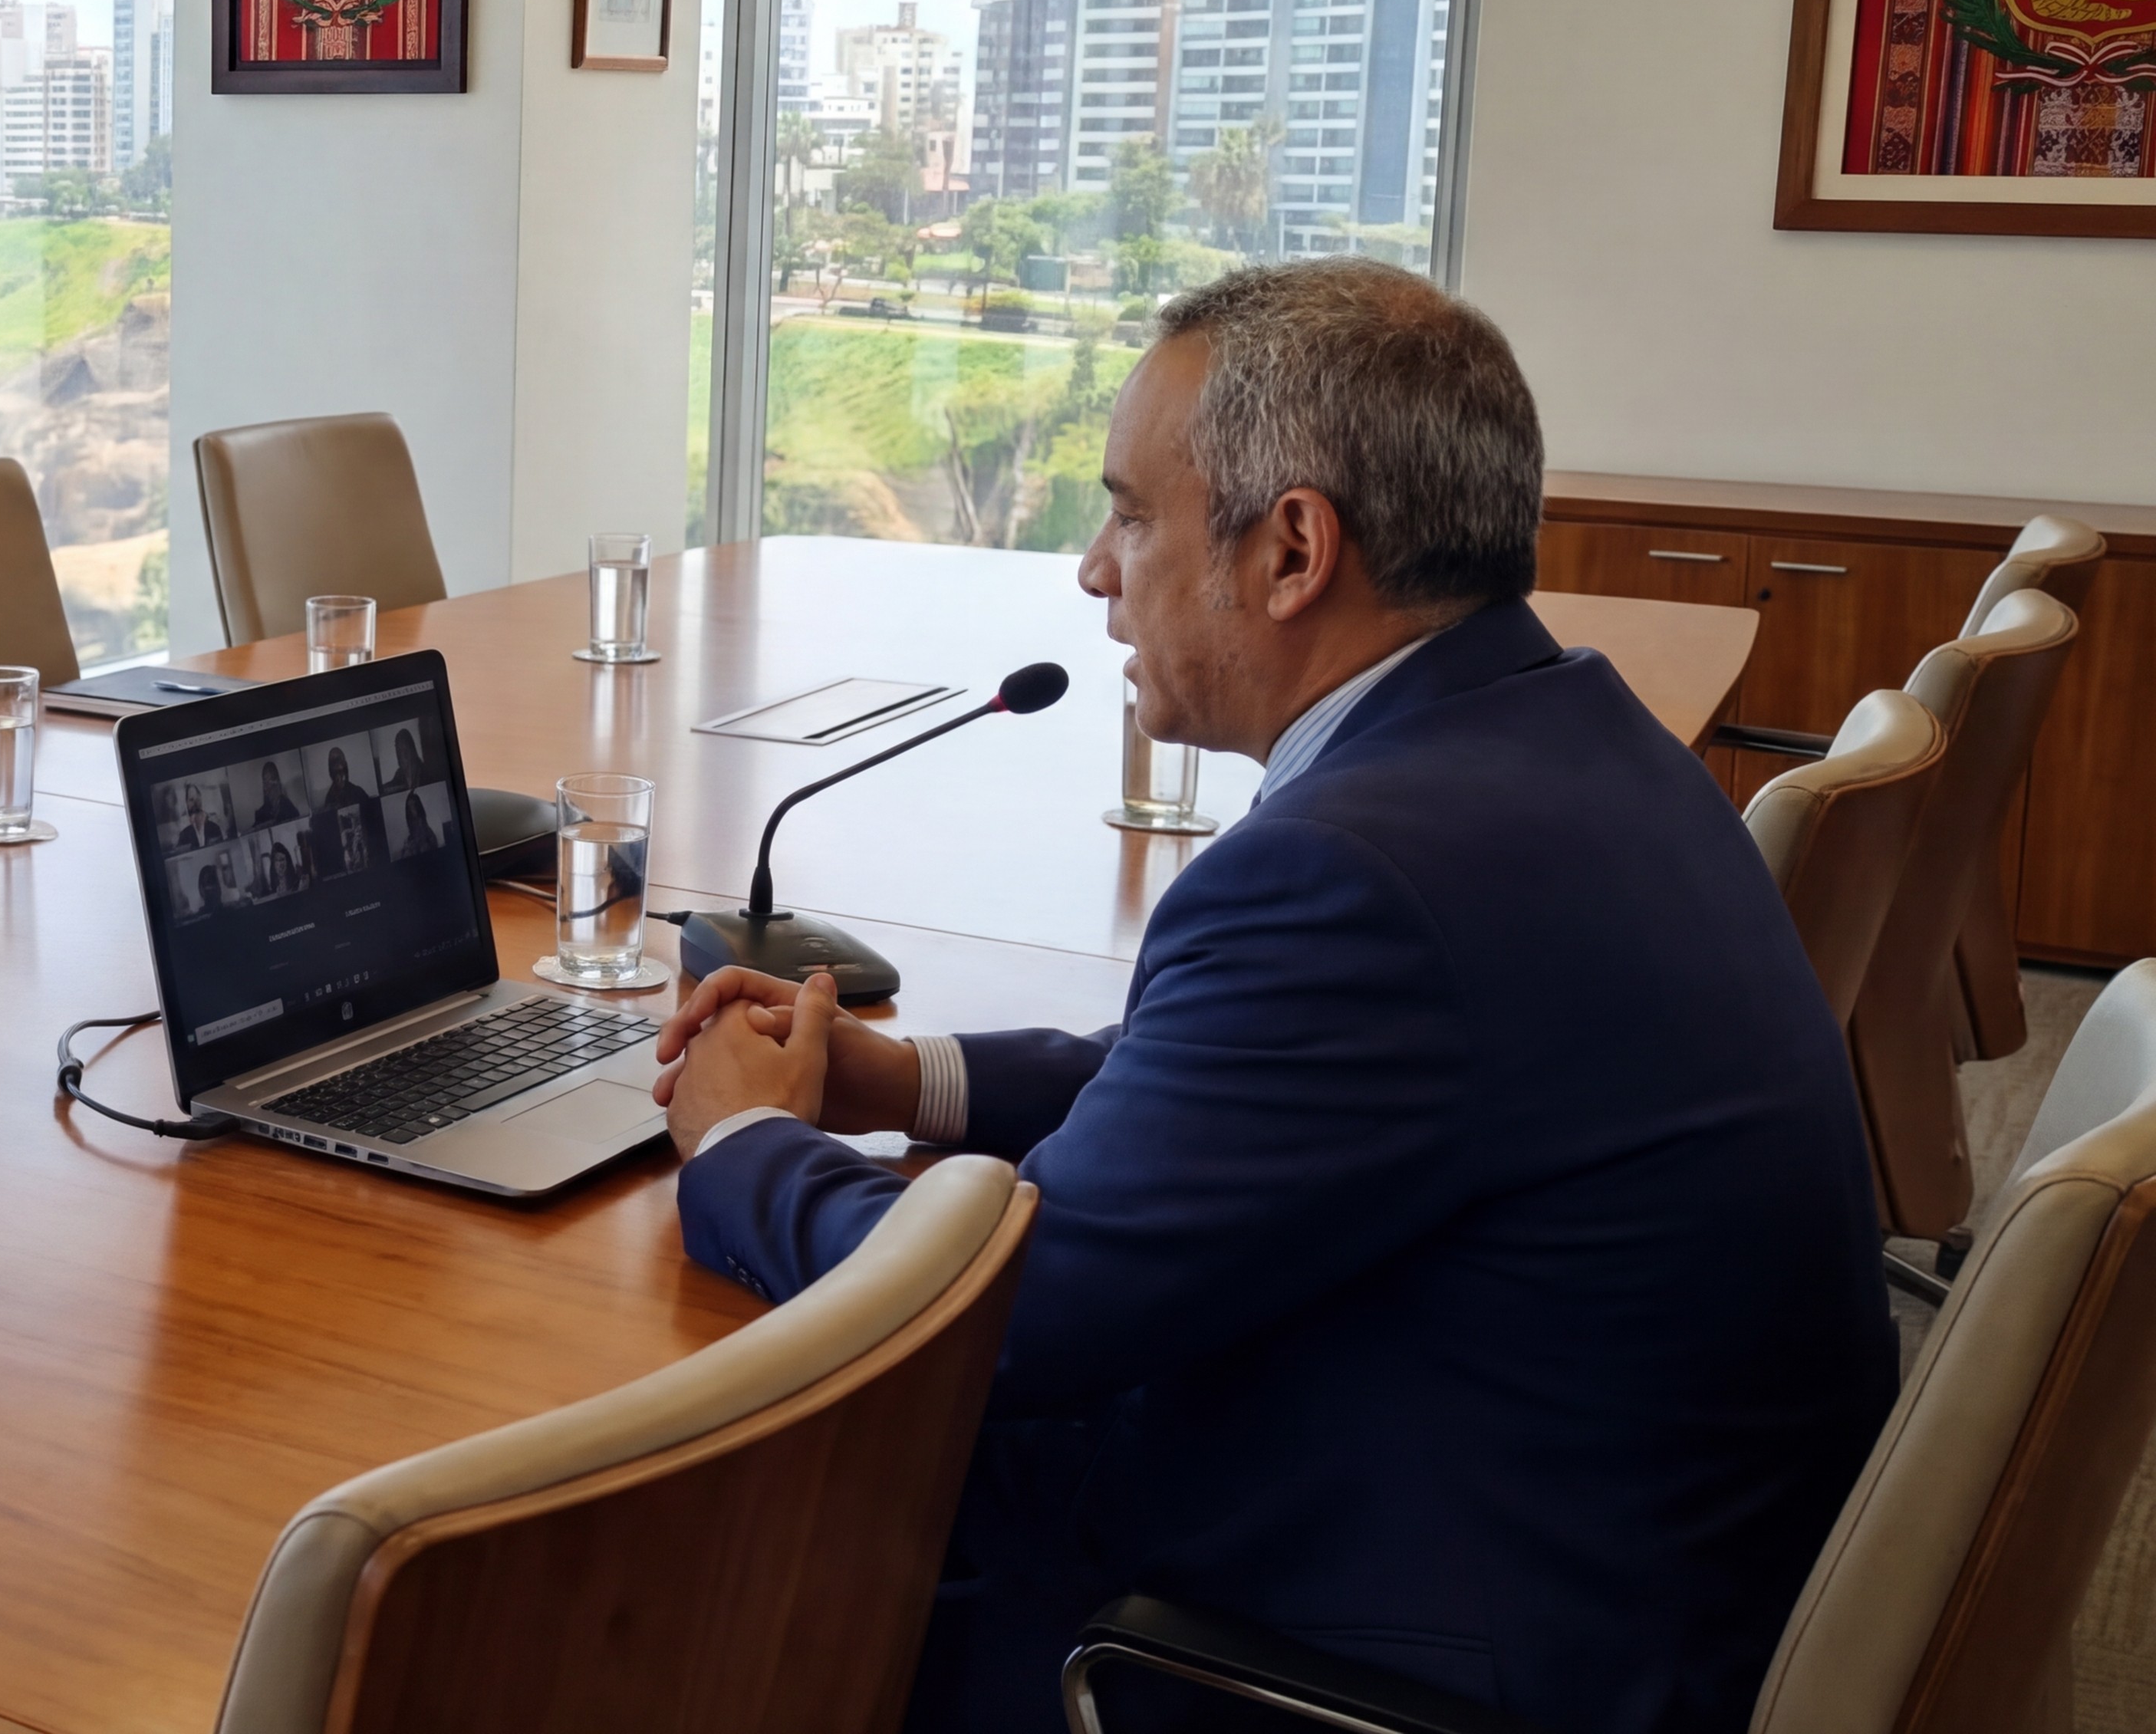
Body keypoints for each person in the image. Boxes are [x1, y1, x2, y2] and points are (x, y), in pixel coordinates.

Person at [650, 260, 1893, 1734]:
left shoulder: (1359, 869)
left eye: (1130, 516)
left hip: (1420, 1656)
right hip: (1618, 1549)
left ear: (1294, 549)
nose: (1094, 571)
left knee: (729, 1540)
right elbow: (1226, 1075)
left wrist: (743, 1143)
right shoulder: (1563, 736)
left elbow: (1011, 1324)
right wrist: (902, 1080)